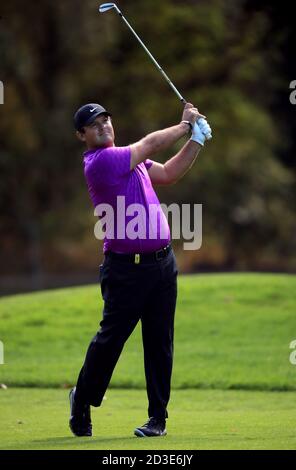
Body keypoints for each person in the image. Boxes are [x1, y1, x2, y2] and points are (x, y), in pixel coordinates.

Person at [69, 102, 212, 437]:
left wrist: (196, 141)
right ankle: (83, 398)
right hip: (125, 270)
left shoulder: (128, 157)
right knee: (111, 341)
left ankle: (157, 418)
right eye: (93, 124)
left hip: (163, 265)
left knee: (160, 341)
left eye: (106, 119)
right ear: (81, 135)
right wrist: (185, 125)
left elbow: (169, 173)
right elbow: (148, 145)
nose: (103, 125)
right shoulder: (99, 162)